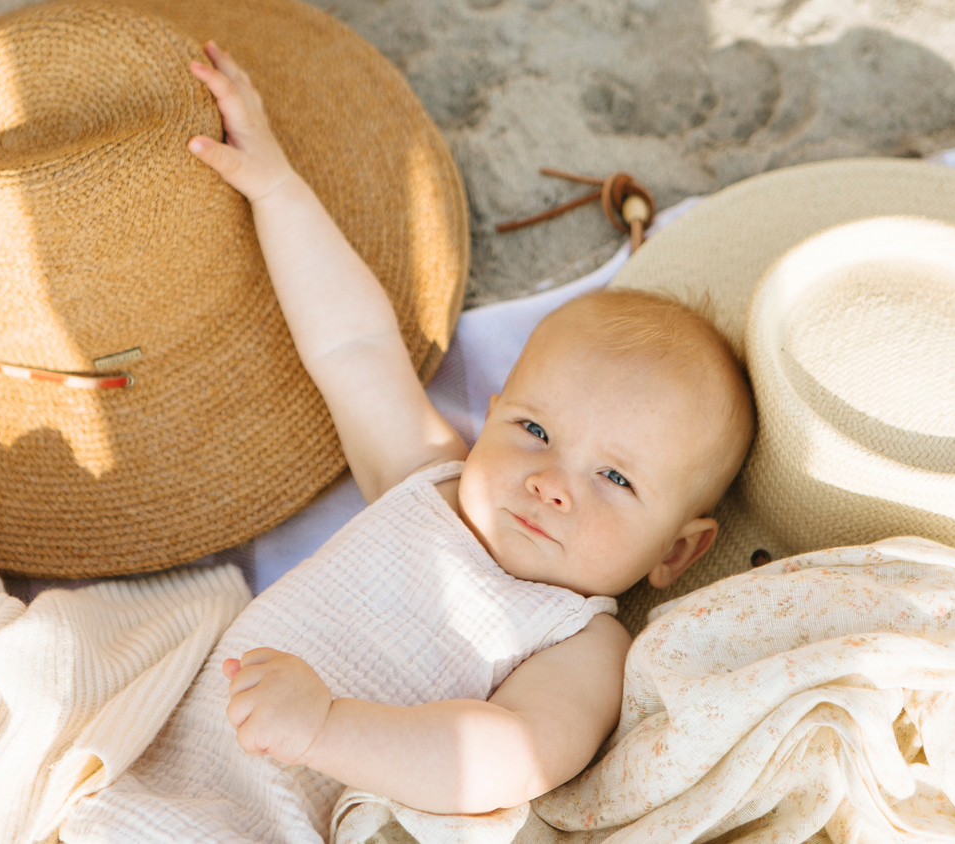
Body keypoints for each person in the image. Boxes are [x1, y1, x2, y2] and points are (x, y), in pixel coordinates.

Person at [61, 42, 754, 843]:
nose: (551, 482)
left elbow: (504, 759)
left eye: (614, 478)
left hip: (247, 817)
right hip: (138, 737)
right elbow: (352, 345)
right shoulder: (429, 480)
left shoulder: (582, 644)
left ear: (677, 552)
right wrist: (278, 189)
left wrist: (326, 728)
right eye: (534, 430)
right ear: (492, 416)